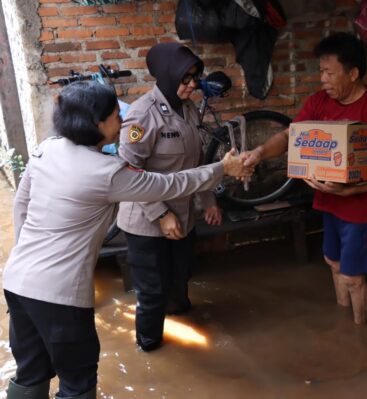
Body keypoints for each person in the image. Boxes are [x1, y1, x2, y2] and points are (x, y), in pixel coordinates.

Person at [2, 81, 250, 399]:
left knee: (30, 373)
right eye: (115, 116)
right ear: (97, 123)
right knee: (77, 383)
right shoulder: (107, 172)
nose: (122, 122)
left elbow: (21, 206)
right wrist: (222, 167)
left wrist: (26, 261)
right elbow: (171, 185)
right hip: (60, 296)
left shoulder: (46, 149)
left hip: (18, 283)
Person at [242, 32, 367, 324]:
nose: (323, 80)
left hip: (362, 209)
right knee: (333, 262)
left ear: (353, 73)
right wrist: (260, 153)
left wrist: (351, 192)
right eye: (320, 72)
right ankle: (342, 323)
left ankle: (359, 334)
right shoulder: (319, 103)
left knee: (354, 277)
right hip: (329, 202)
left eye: (329, 73)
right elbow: (291, 136)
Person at [116, 43, 221, 351]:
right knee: (151, 291)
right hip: (146, 221)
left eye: (195, 78)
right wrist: (161, 215)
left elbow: (197, 163)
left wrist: (209, 202)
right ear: (165, 75)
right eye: (185, 78)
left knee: (182, 275)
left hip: (183, 215)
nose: (192, 85)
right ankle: (149, 347)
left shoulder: (187, 108)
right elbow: (128, 170)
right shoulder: (141, 117)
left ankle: (181, 320)